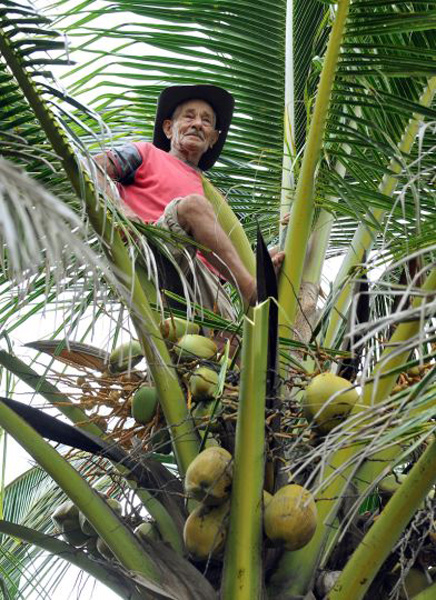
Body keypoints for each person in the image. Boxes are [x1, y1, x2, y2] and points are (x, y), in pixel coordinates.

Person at [94, 84, 283, 317]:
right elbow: (91, 168)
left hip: (202, 282)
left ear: (213, 138)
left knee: (226, 351)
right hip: (154, 247)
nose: (197, 124)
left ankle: (249, 291)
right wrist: (121, 209)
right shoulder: (146, 153)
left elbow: (227, 255)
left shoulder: (212, 196)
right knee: (193, 206)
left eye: (206, 121)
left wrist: (278, 249)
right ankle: (250, 291)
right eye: (189, 116)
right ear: (168, 128)